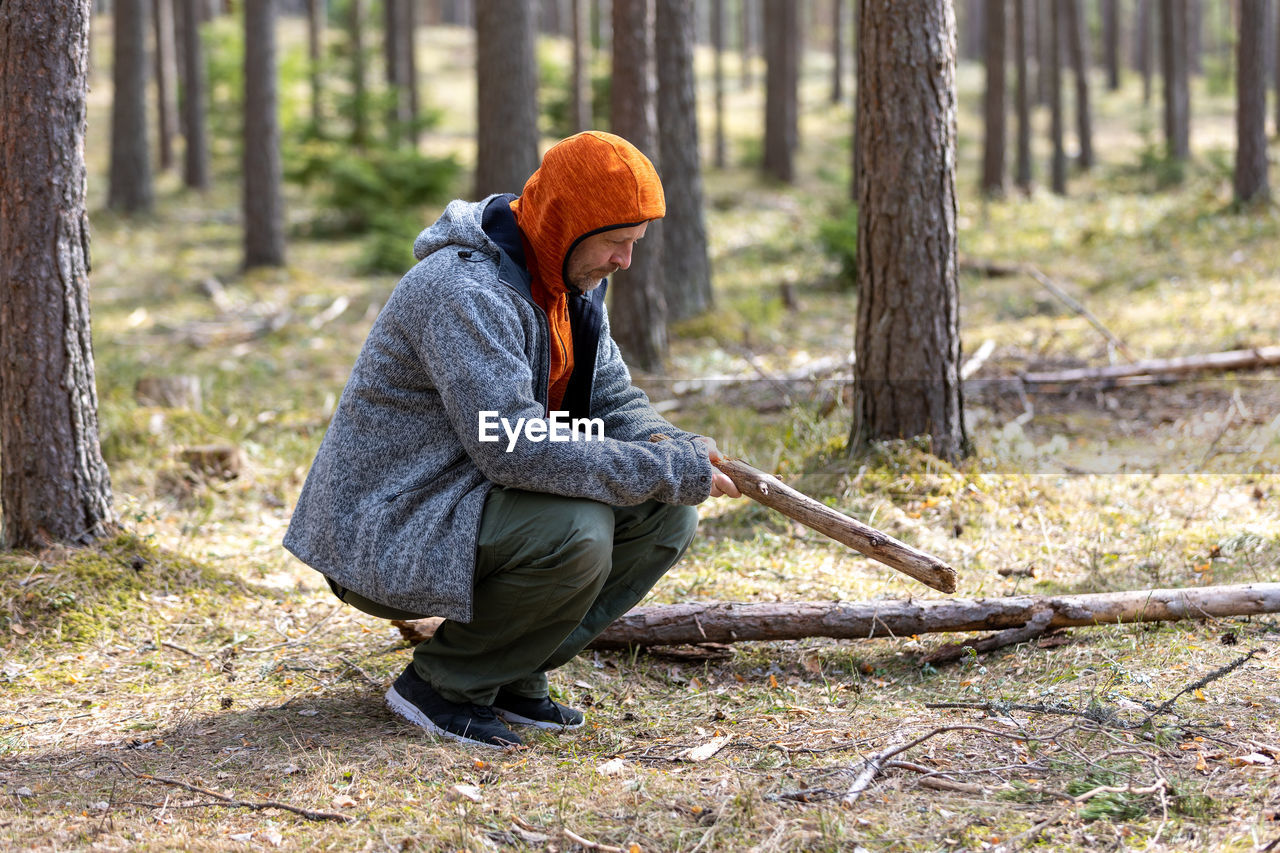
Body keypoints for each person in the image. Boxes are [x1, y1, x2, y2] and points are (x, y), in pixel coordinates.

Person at [284, 131, 739, 748]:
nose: (625, 262)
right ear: (569, 223)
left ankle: (511, 675)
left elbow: (610, 400)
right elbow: (514, 447)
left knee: (665, 517)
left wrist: (666, 443)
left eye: (634, 245)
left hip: (469, 499)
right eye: (616, 243)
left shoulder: (568, 287)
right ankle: (442, 686)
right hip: (390, 522)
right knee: (575, 532)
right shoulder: (464, 291)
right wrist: (661, 466)